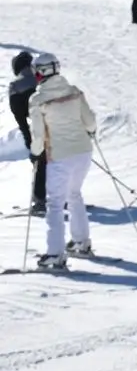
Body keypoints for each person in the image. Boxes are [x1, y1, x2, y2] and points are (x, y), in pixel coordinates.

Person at [28, 53, 97, 269]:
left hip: (60, 156)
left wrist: (35, 151)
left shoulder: (38, 100)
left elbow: (38, 135)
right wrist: (89, 132)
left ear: (41, 72)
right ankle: (81, 242)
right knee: (74, 195)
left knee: (55, 203)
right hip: (83, 152)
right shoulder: (74, 92)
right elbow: (90, 121)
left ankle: (55, 253)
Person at [8, 51, 46, 215]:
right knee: (52, 156)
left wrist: (30, 143)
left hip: (19, 103)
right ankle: (61, 195)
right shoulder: (39, 79)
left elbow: (21, 120)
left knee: (38, 157)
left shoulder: (14, 85)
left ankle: (39, 200)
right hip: (46, 120)